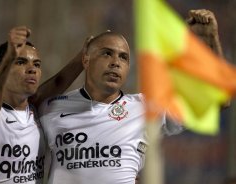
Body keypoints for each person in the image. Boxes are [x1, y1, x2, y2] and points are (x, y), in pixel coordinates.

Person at [38, 9, 224, 184]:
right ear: (85, 60)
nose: (115, 63)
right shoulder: (52, 107)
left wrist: (210, 41)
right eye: (107, 54)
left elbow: (217, 99)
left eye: (123, 57)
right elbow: (24, 105)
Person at [0, 26, 88, 183]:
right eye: (20, 62)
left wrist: (83, 57)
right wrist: (9, 56)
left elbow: (59, 81)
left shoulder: (36, 109)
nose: (32, 69)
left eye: (37, 64)